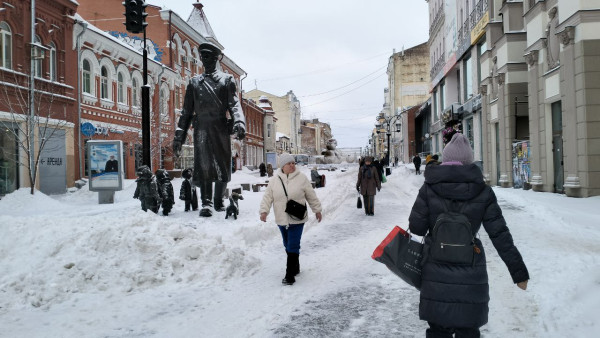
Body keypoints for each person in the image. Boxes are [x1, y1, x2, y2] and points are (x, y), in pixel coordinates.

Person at [408, 133, 529, 337]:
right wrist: (519, 273)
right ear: (469, 161)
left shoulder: (428, 188)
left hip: (435, 274)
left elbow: (417, 228)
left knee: (438, 330)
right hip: (471, 275)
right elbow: (500, 236)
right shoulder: (483, 192)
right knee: (469, 331)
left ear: (445, 159)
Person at [172, 42, 246, 217]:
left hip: (220, 127)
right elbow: (186, 113)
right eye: (203, 57)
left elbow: (235, 105)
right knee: (204, 165)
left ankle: (219, 200)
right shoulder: (194, 83)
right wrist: (178, 137)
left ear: (215, 59)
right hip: (202, 129)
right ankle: (207, 203)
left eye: (209, 57)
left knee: (221, 166)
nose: (205, 60)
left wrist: (239, 123)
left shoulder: (226, 80)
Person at [259, 154, 323, 286]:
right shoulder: (274, 180)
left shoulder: (302, 178)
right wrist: (264, 211)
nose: (292, 165)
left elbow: (311, 195)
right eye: (289, 164)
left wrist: (317, 210)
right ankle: (296, 266)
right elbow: (267, 197)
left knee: (293, 244)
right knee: (287, 244)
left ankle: (289, 275)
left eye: (293, 163)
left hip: (297, 218)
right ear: (283, 166)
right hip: (281, 218)